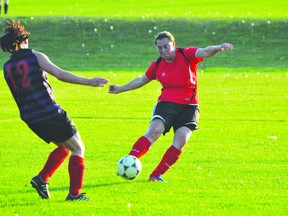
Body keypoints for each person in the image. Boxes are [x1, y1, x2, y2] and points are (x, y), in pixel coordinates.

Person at [0, 19, 108, 200]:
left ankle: (42, 179)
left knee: (65, 147)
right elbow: (61, 74)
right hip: (49, 112)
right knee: (78, 148)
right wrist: (89, 81)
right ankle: (74, 195)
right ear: (22, 41)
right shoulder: (34, 56)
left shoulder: (6, 67)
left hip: (30, 118)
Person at [109, 31, 233, 182]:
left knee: (181, 140)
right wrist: (119, 89)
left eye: (166, 46)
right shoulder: (157, 65)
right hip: (167, 104)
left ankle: (155, 175)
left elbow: (205, 51)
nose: (163, 51)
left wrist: (219, 47)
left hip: (189, 106)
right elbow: (141, 80)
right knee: (154, 131)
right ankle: (128, 162)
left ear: (173, 44)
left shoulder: (186, 54)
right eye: (159, 48)